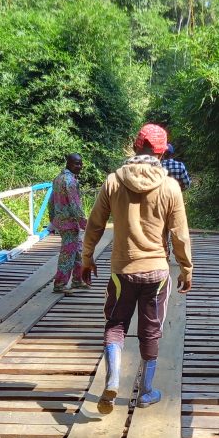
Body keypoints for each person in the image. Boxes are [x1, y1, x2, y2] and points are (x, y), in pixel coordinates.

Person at [81, 124, 192, 414]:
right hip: (156, 271)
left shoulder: (113, 182)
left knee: (116, 325)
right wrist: (186, 268)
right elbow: (180, 233)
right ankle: (146, 391)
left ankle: (114, 378)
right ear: (161, 151)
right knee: (150, 330)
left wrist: (87, 257)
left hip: (122, 269)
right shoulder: (170, 186)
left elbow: (94, 224)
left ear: (134, 146)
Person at [47, 153, 89, 293]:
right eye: (76, 163)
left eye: (81, 163)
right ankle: (59, 284)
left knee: (77, 250)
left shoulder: (58, 178)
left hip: (62, 221)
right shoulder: (70, 181)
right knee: (67, 253)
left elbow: (51, 201)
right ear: (68, 164)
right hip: (69, 223)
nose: (80, 166)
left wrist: (52, 219)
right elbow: (75, 205)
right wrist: (85, 224)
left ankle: (77, 280)